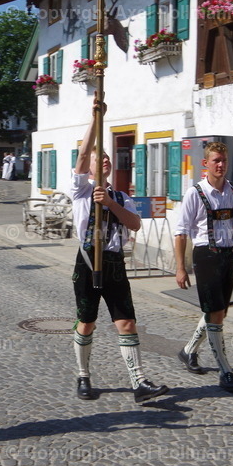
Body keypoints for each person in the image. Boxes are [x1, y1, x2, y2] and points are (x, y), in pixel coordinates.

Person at [71, 103, 169, 404]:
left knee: (126, 321)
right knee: (86, 321)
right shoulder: (81, 190)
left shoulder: (120, 196)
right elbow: (83, 153)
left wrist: (111, 205)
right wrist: (94, 119)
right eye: (96, 159)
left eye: (106, 158)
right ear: (88, 167)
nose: (101, 161)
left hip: (114, 262)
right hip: (88, 261)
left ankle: (139, 382)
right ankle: (83, 376)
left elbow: (136, 224)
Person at [173, 142, 233, 393]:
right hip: (206, 255)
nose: (221, 165)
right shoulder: (195, 193)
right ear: (205, 164)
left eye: (224, 160)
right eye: (216, 160)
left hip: (229, 256)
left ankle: (188, 351)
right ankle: (225, 371)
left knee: (218, 313)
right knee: (215, 313)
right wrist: (180, 268)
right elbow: (181, 232)